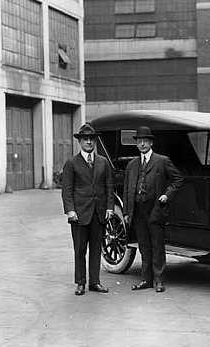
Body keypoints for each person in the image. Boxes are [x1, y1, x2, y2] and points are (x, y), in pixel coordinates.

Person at [123, 126, 183, 293]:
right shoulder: (132, 165)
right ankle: (146, 279)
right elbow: (127, 189)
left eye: (145, 141)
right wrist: (127, 212)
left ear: (151, 142)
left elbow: (178, 179)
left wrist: (167, 195)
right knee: (144, 246)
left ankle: (158, 280)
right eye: (139, 141)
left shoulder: (162, 161)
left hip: (156, 209)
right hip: (138, 210)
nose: (142, 144)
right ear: (136, 144)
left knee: (157, 246)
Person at [61, 123, 114, 296]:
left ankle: (95, 282)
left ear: (95, 141)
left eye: (92, 139)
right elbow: (67, 189)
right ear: (80, 142)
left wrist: (109, 207)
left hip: (98, 213)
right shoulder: (72, 163)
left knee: (96, 249)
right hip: (79, 214)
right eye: (86, 139)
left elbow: (109, 186)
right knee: (80, 250)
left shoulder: (103, 162)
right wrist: (70, 210)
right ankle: (80, 283)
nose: (89, 142)